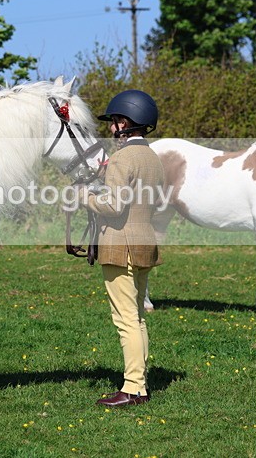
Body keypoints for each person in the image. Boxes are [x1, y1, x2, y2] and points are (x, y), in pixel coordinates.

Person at [84, 89, 164, 407]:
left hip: (122, 245)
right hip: (145, 240)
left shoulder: (122, 158)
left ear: (126, 122)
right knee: (138, 318)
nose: (111, 128)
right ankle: (139, 384)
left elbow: (114, 206)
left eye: (114, 121)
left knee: (125, 318)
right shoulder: (153, 158)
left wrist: (84, 199)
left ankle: (132, 388)